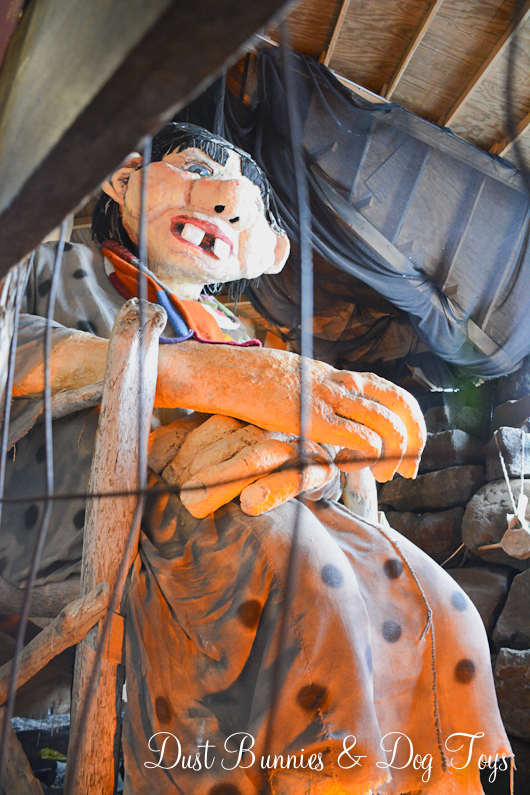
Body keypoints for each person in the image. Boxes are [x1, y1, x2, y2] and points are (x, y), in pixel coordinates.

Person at [7, 124, 509, 794]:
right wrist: (198, 379)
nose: (225, 201)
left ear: (267, 252)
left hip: (249, 504)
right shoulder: (55, 268)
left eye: (248, 202)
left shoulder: (243, 334)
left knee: (445, 610)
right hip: (78, 513)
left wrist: (315, 459)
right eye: (194, 169)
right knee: (304, 580)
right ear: (123, 180)